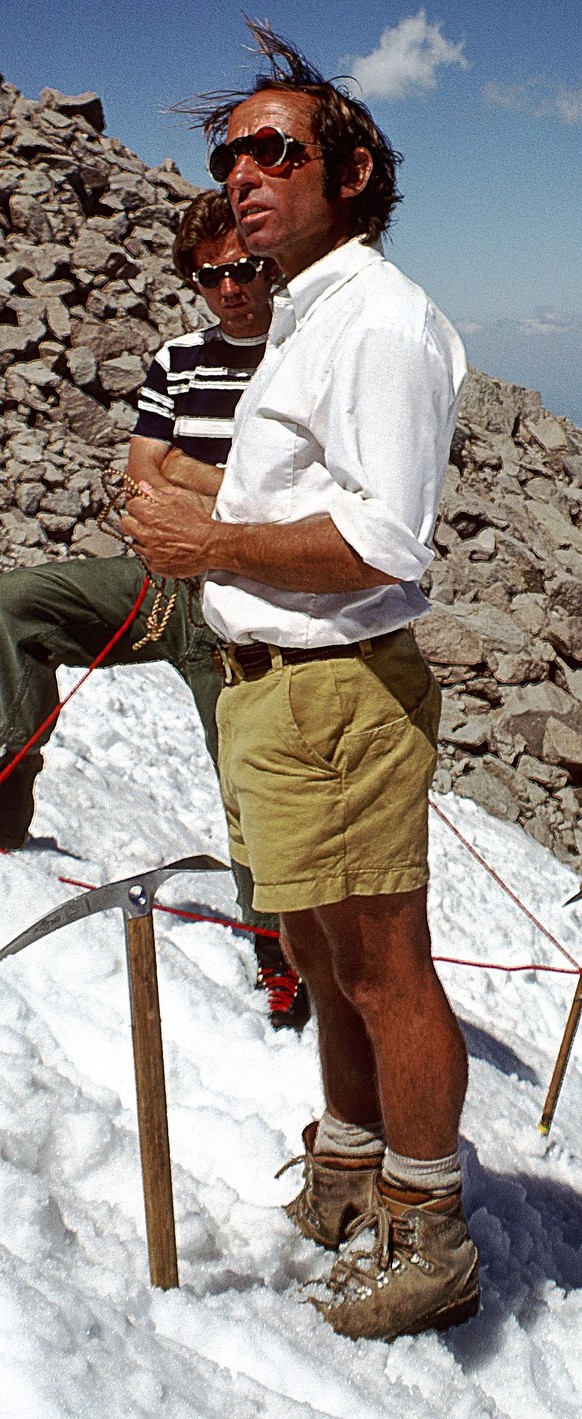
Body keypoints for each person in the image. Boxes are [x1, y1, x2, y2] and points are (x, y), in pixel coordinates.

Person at [122, 23, 477, 1341]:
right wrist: (193, 496)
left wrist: (204, 539)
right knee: (320, 955)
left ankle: (427, 1227)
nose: (242, 171)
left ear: (350, 165)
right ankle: (347, 1165)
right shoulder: (309, 312)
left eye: (274, 147)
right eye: (228, 154)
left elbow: (383, 539)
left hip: (337, 692)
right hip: (278, 683)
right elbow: (301, 491)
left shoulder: (376, 321)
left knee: (380, 964)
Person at [0, 188, 309, 1032]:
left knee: (245, 776)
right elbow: (142, 475)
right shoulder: (180, 359)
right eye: (212, 276)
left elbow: (296, 497)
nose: (231, 288)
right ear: (195, 281)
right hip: (162, 584)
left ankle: (276, 947)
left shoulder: (302, 357)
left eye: (245, 269)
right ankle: (4, 805)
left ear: (269, 265)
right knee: (16, 604)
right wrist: (231, 489)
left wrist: (198, 483)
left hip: (239, 605)